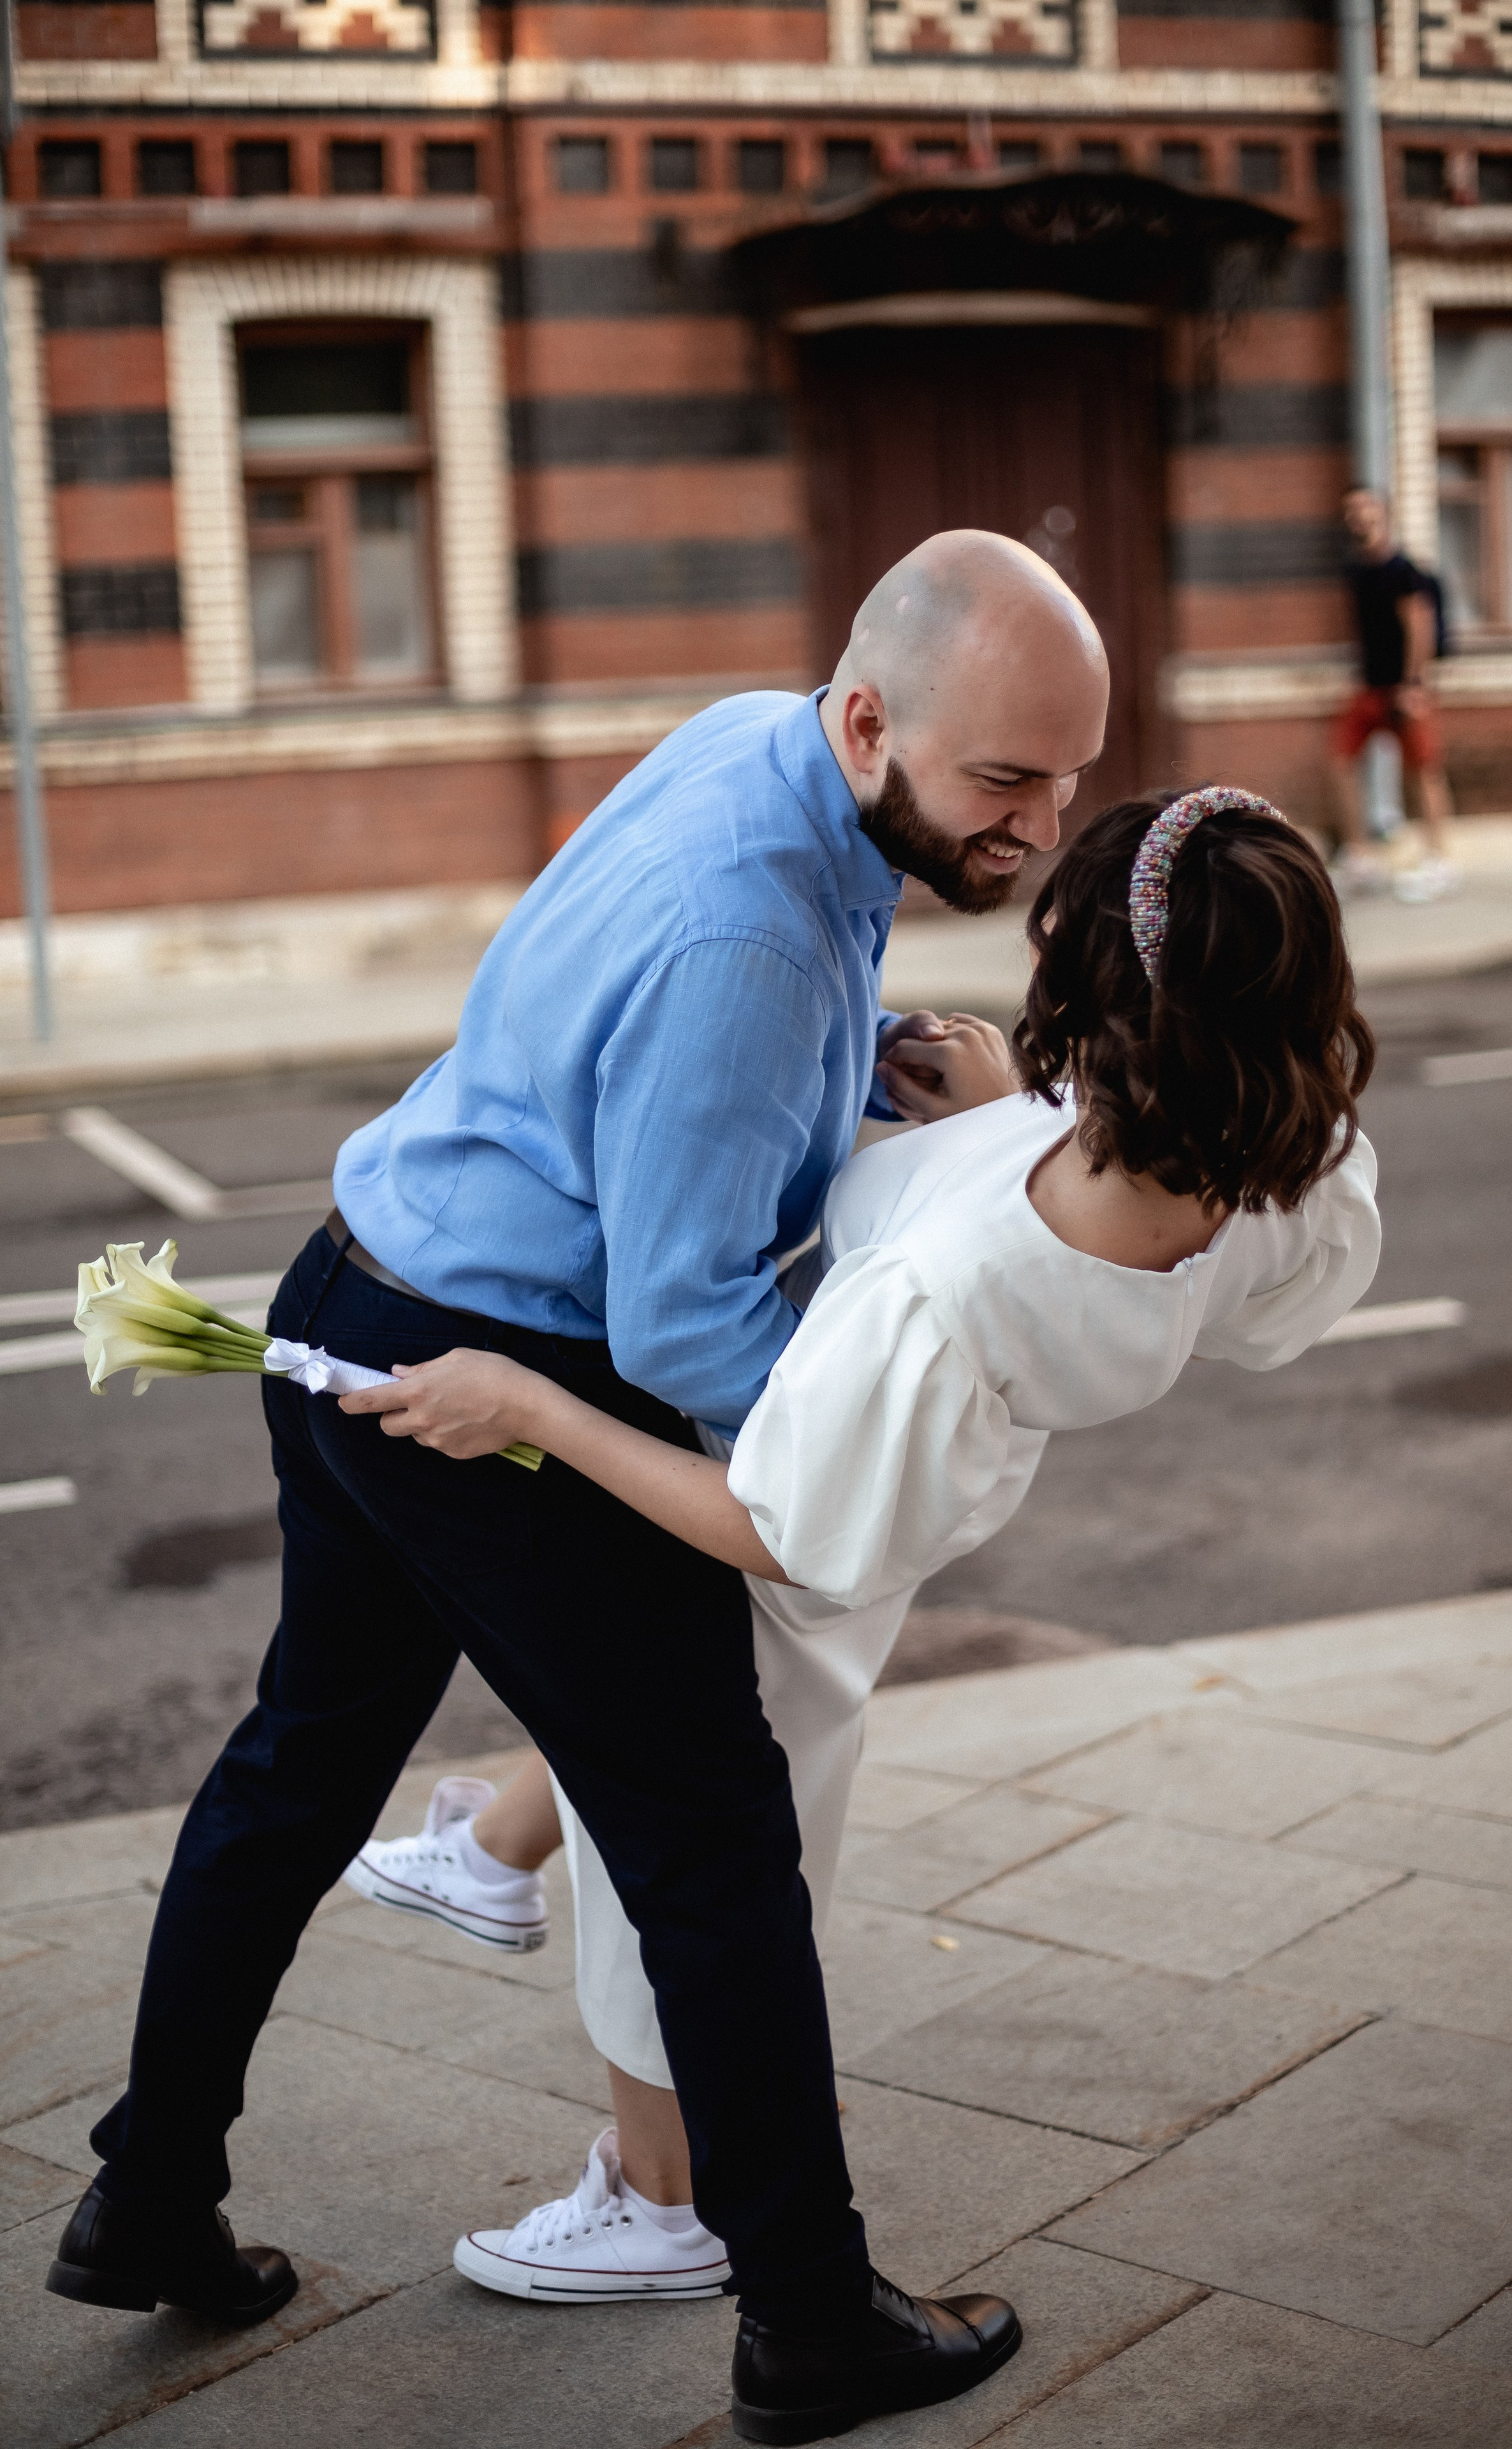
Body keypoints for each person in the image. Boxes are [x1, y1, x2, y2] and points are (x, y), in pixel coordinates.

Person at [46, 529, 1108, 2449]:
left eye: (1067, 779)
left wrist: (833, 1079)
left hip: (359, 1285)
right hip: (497, 1387)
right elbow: (687, 1316)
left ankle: (147, 2193)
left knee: (297, 1767)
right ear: (869, 722)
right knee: (714, 1839)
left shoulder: (754, 738)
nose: (1037, 825)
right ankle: (809, 2320)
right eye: (1003, 779)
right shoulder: (753, 937)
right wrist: (873, 1437)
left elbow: (655, 1052)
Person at [335, 785, 1381, 2328]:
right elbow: (1214, 1282)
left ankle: (662, 2204)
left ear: (1087, 981)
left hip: (815, 1503)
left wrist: (532, 1406)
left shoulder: (947, 1283)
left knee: (680, 1840)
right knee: (678, 1759)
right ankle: (493, 1849)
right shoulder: (1285, 1156)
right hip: (911, 1475)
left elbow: (773, 1524)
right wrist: (1006, 1119)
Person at [1329, 485, 1460, 904]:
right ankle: (1360, 858)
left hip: (1404, 690)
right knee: (1340, 762)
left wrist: (1414, 685)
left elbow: (1420, 628)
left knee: (1423, 771)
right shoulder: (1356, 572)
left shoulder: (1404, 572)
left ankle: (1439, 862)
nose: (1359, 516)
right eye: (1352, 510)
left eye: (1367, 508)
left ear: (1384, 515)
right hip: (1369, 687)